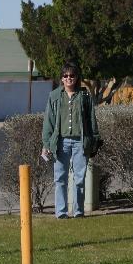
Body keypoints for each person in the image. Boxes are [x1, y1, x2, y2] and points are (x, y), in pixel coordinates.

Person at [41, 62, 101, 219]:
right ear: (61, 78)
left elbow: (91, 120)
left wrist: (94, 140)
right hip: (60, 143)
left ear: (77, 77)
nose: (69, 78)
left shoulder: (85, 95)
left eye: (72, 75)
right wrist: (46, 144)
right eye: (65, 76)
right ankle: (61, 212)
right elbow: (49, 121)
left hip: (80, 143)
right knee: (60, 179)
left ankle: (78, 212)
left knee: (79, 179)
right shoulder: (54, 96)